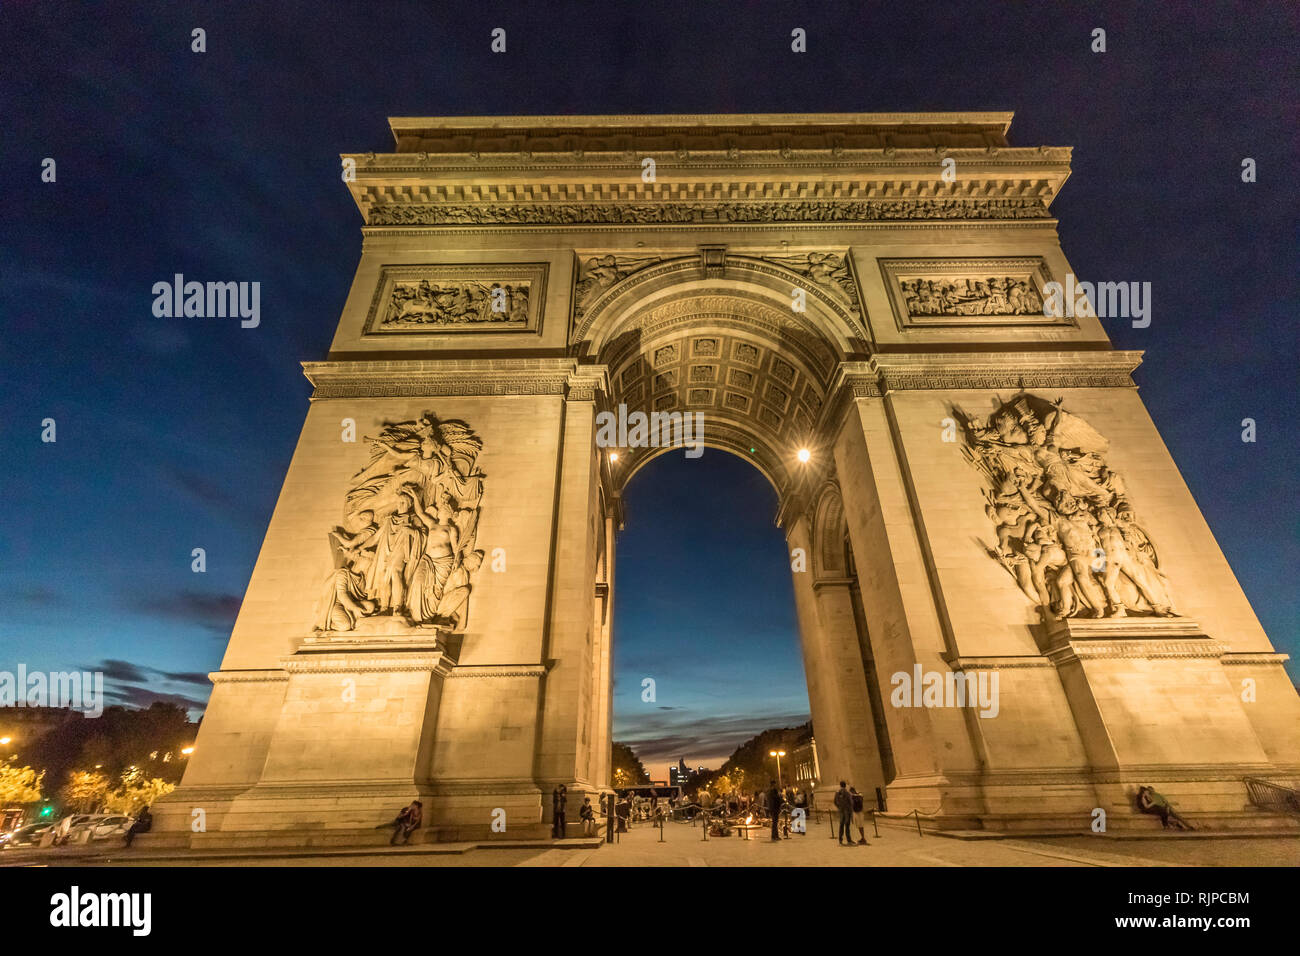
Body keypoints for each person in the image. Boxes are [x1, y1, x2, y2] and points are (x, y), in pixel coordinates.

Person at [834, 781, 855, 846]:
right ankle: (849, 840)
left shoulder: (837, 793)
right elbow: (851, 802)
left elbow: (835, 802)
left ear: (840, 785)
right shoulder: (847, 793)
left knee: (841, 825)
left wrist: (839, 807)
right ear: (845, 785)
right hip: (847, 811)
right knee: (847, 825)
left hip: (841, 811)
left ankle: (840, 840)